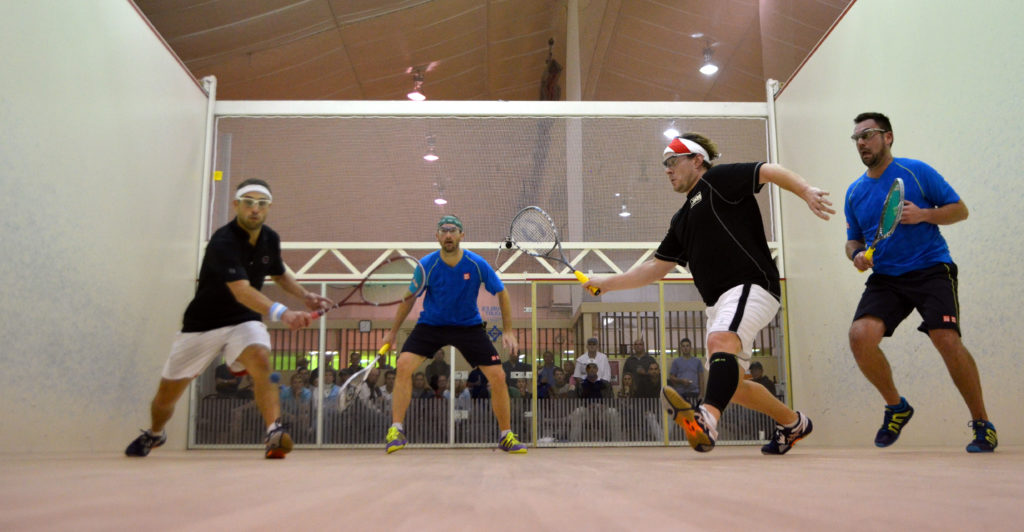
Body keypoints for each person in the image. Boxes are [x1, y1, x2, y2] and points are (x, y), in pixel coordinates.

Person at [584, 133, 834, 455]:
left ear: (697, 160)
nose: (667, 170)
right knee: (736, 386)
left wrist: (805, 190)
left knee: (720, 342)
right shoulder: (681, 219)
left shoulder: (717, 180)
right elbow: (655, 269)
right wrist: (607, 283)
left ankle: (706, 421)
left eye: (673, 162)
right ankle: (794, 423)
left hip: (751, 285)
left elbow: (768, 170)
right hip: (718, 304)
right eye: (665, 166)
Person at [124, 179, 331, 459]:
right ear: (236, 205)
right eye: (248, 203)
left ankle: (274, 432)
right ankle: (155, 433)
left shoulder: (270, 238)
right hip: (202, 325)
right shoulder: (223, 242)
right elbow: (241, 291)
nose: (255, 209)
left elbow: (279, 273)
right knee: (166, 397)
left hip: (243, 320)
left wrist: (305, 295)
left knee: (261, 359)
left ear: (269, 207)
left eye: (261, 204)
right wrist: (283, 313)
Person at [844, 112, 996, 452]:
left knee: (946, 340)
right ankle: (897, 407)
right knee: (860, 337)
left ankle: (983, 423)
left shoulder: (917, 171)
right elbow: (852, 239)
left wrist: (925, 214)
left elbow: (960, 209)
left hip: (930, 269)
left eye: (868, 135)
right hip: (886, 277)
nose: (862, 143)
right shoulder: (855, 192)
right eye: (856, 138)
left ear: (888, 137)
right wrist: (855, 255)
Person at [381, 215, 525, 454]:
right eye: (443, 230)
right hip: (431, 325)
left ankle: (506, 435)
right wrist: (392, 333)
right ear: (437, 236)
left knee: (498, 376)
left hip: (468, 326)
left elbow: (502, 292)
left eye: (453, 230)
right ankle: (396, 430)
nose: (448, 234)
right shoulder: (427, 264)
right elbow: (409, 298)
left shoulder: (476, 263)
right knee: (404, 364)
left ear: (461, 235)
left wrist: (508, 330)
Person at [668, 338, 704, 403]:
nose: (685, 348)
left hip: (695, 393)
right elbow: (671, 377)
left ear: (691, 348)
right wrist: (681, 381)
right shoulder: (676, 362)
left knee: (694, 412)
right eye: (683, 346)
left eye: (687, 346)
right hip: (680, 393)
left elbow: (701, 379)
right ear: (681, 348)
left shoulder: (697, 361)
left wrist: (701, 394)